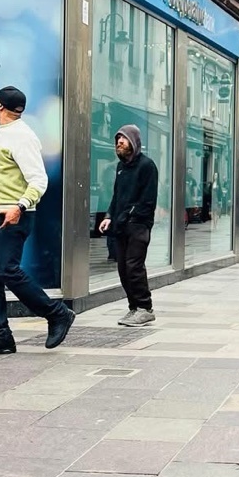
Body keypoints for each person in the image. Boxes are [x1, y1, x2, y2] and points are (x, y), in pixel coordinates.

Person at [0, 85, 74, 356]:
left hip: (13, 215)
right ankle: (0, 335)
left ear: (1, 107)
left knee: (9, 272)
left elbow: (39, 180)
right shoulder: (4, 132)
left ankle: (57, 313)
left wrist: (19, 206)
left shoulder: (22, 136)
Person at [98, 125, 158, 326]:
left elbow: (148, 200)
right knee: (123, 268)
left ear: (133, 142)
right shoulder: (121, 167)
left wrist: (131, 217)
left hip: (138, 225)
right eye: (117, 141)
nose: (119, 143)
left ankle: (145, 307)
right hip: (120, 225)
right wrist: (109, 216)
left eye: (123, 140)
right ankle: (134, 308)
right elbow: (117, 197)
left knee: (134, 266)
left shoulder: (147, 166)